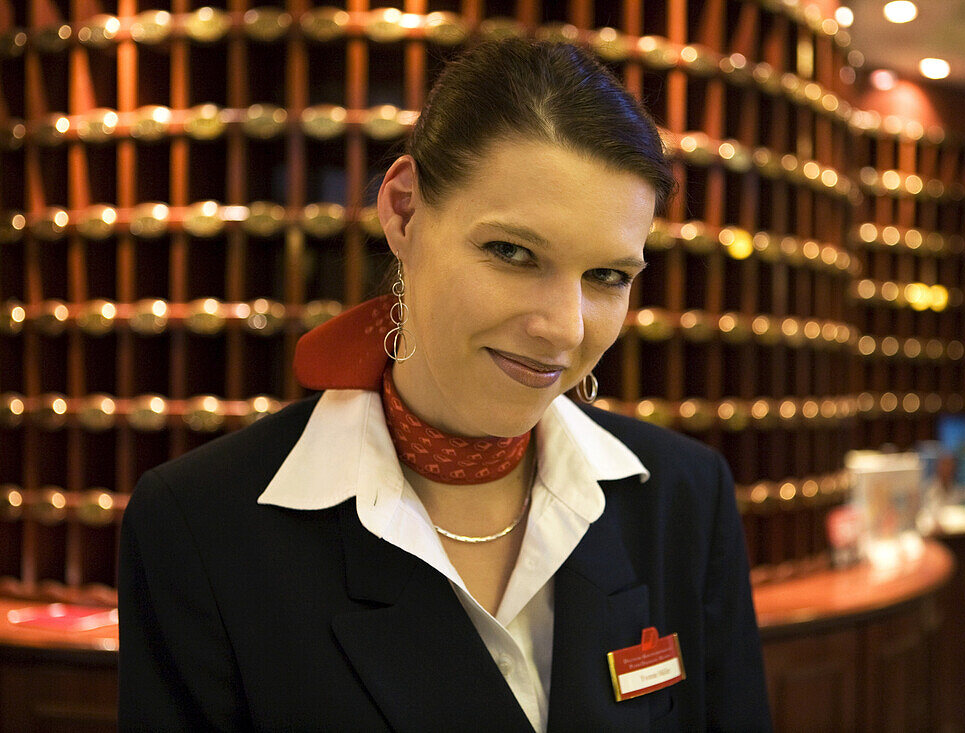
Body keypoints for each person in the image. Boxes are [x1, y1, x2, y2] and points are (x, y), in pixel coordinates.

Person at [118, 37, 771, 732]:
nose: (563, 327)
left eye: (607, 276)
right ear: (403, 211)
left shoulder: (684, 498)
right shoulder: (200, 527)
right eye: (513, 252)